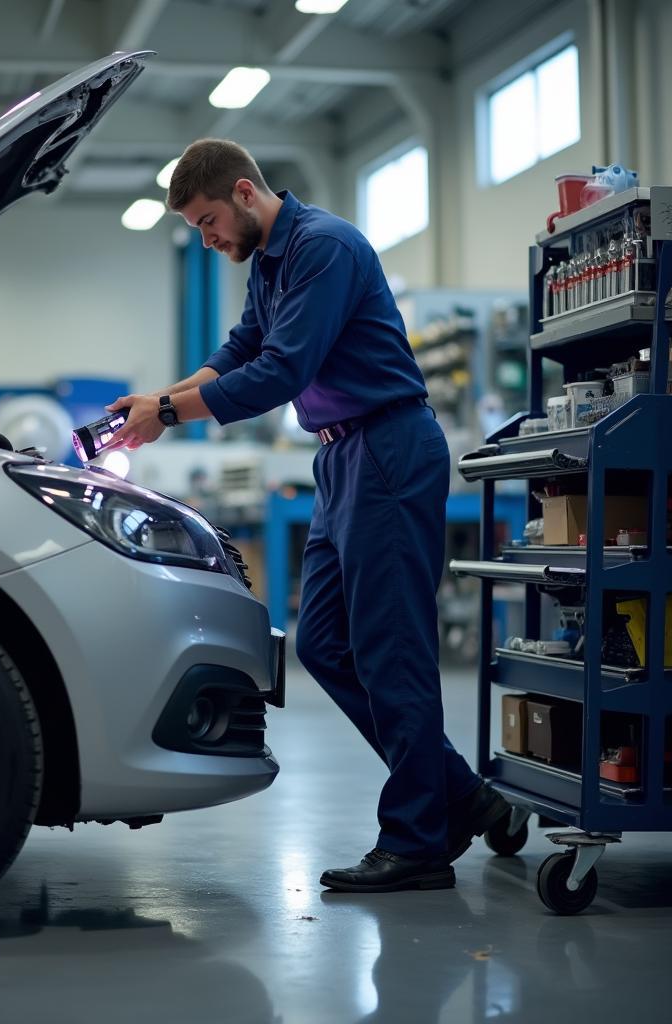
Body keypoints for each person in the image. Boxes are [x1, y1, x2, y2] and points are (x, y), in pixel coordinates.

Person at [107, 139, 509, 893]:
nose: (208, 237)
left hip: (388, 445)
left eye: (208, 220)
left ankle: (419, 840)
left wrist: (169, 410)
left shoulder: (324, 248)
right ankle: (459, 793)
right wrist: (157, 405)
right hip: (342, 457)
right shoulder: (269, 260)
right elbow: (239, 351)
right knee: (324, 642)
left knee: (391, 648)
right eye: (196, 227)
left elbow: (281, 371)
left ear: (244, 192)